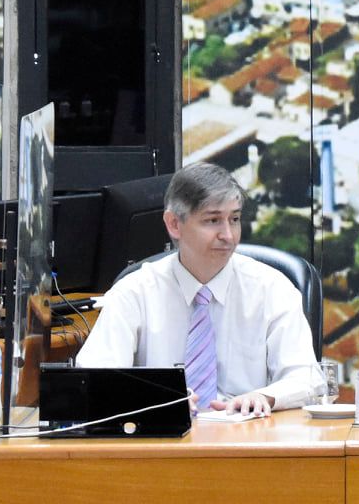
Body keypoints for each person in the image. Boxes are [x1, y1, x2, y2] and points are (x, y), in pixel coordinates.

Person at [77, 164, 317, 417]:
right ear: (174, 224)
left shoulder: (272, 288)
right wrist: (158, 397)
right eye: (212, 220)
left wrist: (265, 396)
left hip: (249, 439)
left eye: (234, 219)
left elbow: (308, 379)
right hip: (162, 443)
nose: (228, 235)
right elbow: (93, 378)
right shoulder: (135, 291)